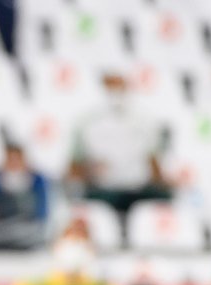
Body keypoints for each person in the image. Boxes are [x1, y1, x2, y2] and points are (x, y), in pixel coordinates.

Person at [69, 72, 171, 214]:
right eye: (111, 86)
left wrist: (162, 184)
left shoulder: (144, 120)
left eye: (119, 86)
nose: (116, 93)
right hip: (103, 191)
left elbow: (153, 161)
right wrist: (89, 172)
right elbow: (74, 165)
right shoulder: (86, 123)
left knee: (164, 198)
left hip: (138, 189)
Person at [0, 143, 50, 250]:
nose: (14, 164)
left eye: (17, 159)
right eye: (10, 159)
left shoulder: (37, 181)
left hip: (26, 230)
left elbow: (42, 213)